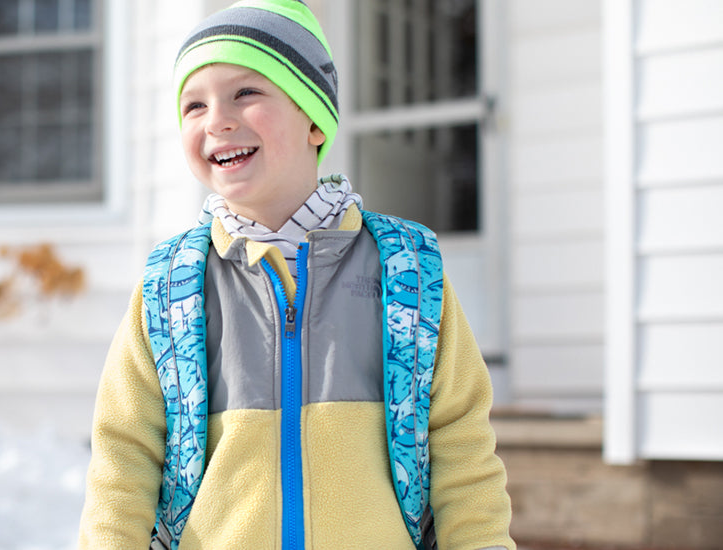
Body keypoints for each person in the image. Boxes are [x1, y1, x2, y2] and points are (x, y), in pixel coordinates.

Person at [78, 1, 515, 548]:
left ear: (313, 117)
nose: (217, 120)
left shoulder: (406, 271)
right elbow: (125, 458)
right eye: (194, 105)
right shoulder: (172, 287)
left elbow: (459, 442)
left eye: (246, 93)